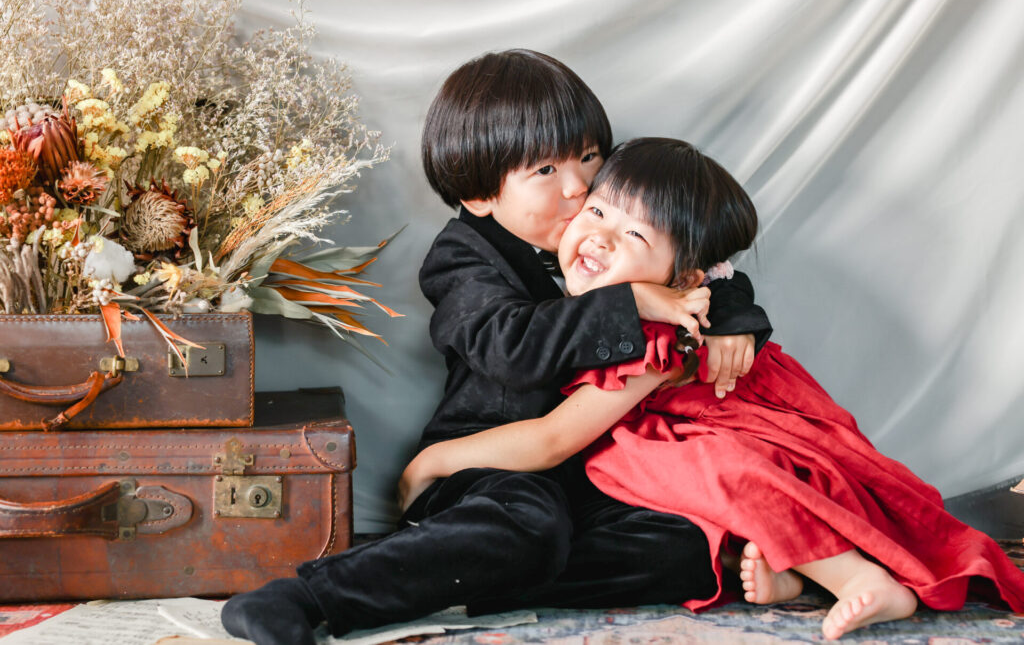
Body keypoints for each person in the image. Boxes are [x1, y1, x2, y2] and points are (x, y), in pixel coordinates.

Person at [222, 51, 773, 645]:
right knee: (528, 525)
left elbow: (704, 258)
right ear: (481, 194)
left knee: (682, 547)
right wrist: (632, 300)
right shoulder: (462, 257)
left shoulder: (599, 228)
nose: (577, 186)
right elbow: (511, 347)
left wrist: (731, 318)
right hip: (485, 467)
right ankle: (305, 597)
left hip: (588, 473)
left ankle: (472, 576)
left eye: (589, 157)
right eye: (546, 170)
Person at [400, 137, 1024, 641]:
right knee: (683, 500)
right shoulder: (551, 279)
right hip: (655, 430)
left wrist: (432, 462)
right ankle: (789, 570)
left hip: (721, 418)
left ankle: (859, 579)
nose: (602, 237)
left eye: (636, 237)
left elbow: (554, 439)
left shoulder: (659, 333)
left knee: (724, 475)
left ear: (683, 278)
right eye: (597, 212)